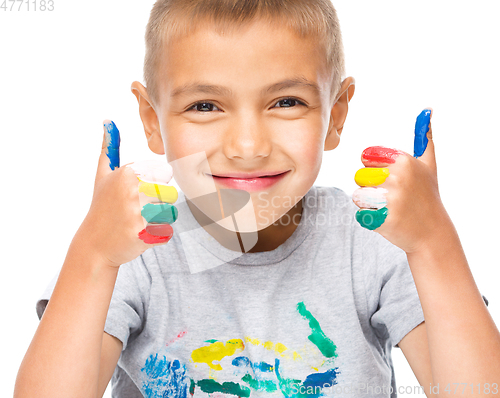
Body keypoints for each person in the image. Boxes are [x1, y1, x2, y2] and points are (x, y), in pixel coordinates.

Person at [14, 1, 500, 397]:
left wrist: (434, 243)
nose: (248, 147)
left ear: (335, 115)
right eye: (205, 106)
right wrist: (93, 256)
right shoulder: (134, 251)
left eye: (286, 102)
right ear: (150, 118)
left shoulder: (373, 238)